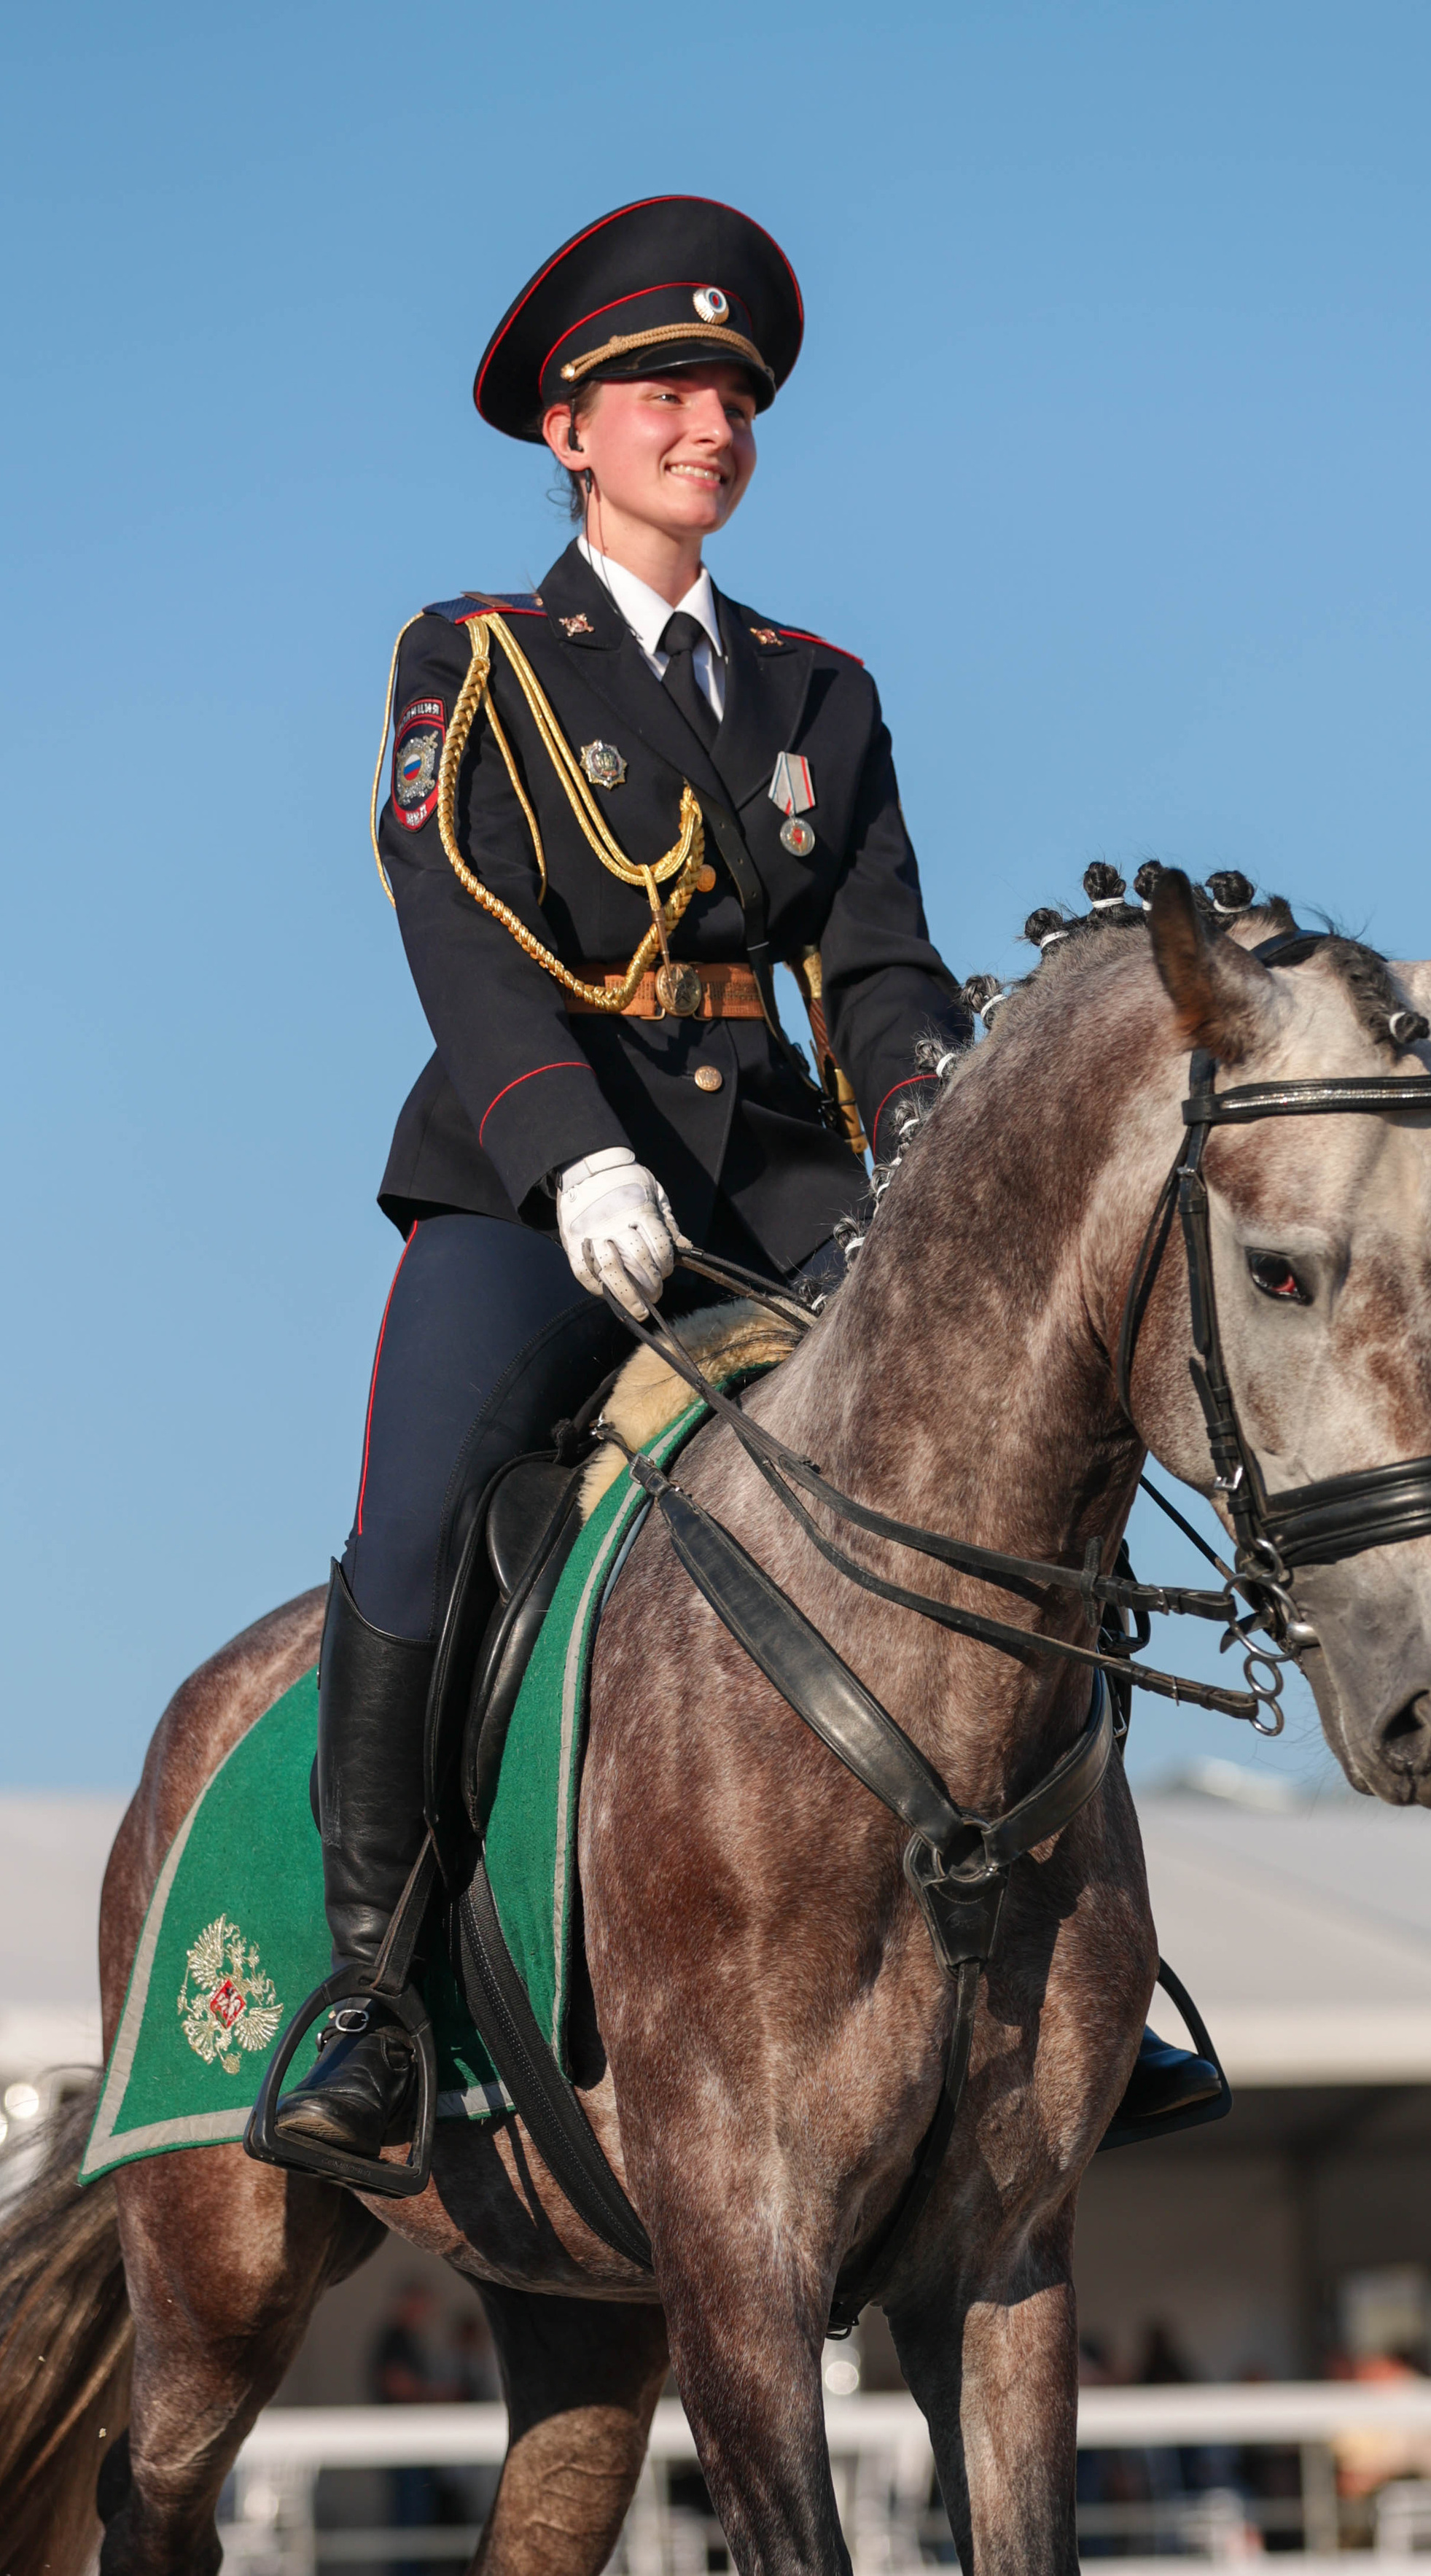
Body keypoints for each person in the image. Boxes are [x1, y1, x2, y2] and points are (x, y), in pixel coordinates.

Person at [269, 194, 1219, 2166]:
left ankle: (1090, 1966)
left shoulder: (818, 692)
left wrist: (951, 1163)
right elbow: (455, 923)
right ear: (571, 427)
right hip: (536, 1167)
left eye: (733, 394)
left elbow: (874, 970)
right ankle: (368, 1990)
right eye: (667, 388)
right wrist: (568, 1150)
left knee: (1026, 1427)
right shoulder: (477, 656)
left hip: (774, 1162)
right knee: (423, 1518)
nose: (709, 421)